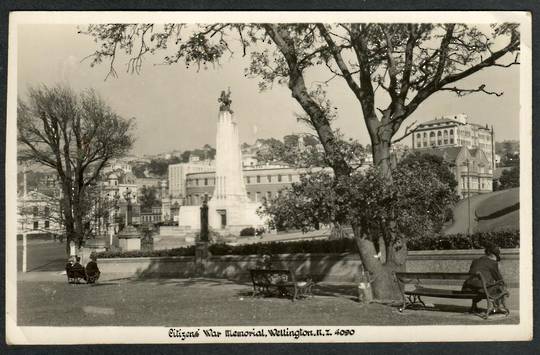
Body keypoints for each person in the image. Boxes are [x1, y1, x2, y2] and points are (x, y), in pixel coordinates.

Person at [462, 243, 508, 314]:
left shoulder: (475, 261)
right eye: (497, 257)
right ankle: (498, 307)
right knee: (500, 286)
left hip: (467, 289)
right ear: (493, 255)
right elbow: (499, 279)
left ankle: (474, 306)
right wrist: (505, 286)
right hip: (482, 290)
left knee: (477, 283)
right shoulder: (492, 262)